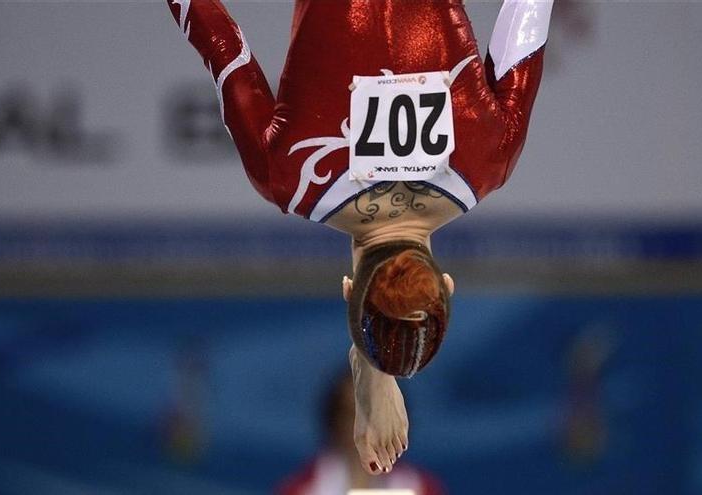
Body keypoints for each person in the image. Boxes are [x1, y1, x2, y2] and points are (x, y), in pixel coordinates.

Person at [166, 0, 553, 475]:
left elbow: (528, 13)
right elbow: (217, 40)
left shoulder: (492, 158)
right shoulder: (289, 176)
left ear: (449, 284)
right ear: (348, 289)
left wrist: (378, 368)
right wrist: (372, 362)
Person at [277, 371, 446, 495]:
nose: (364, 428)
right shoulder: (300, 490)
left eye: (374, 415)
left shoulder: (422, 489)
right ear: (333, 421)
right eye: (351, 414)